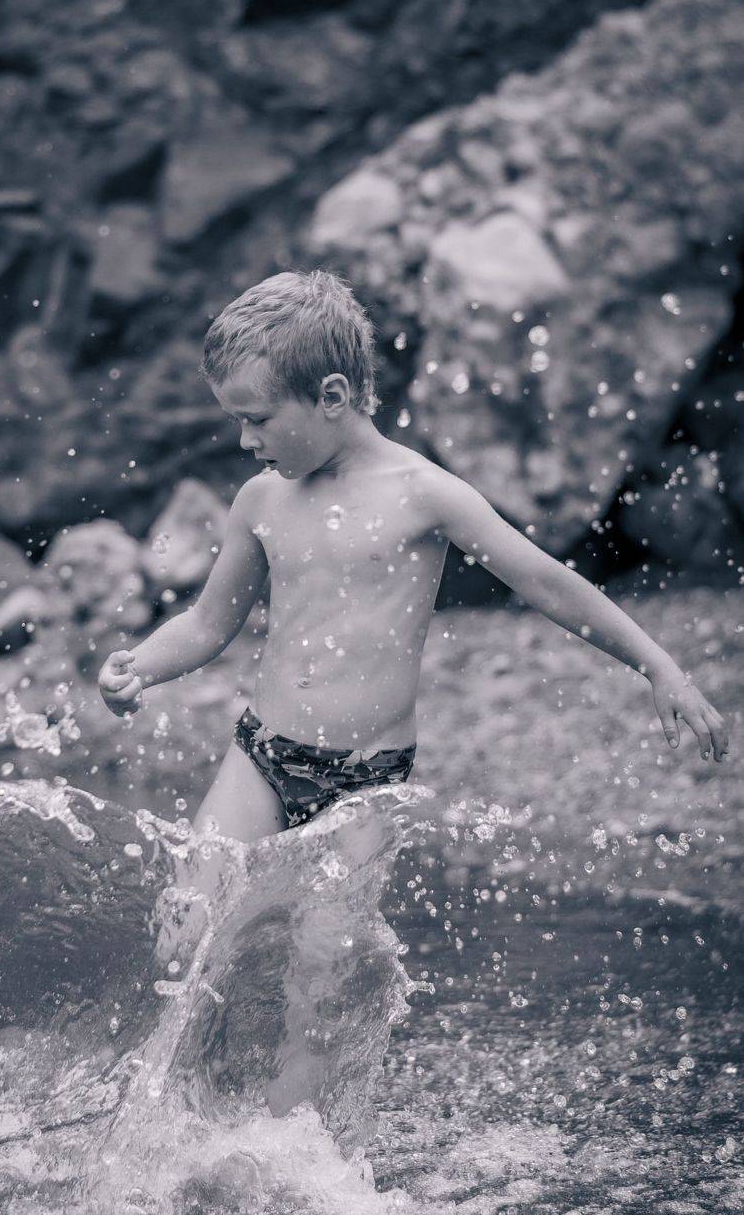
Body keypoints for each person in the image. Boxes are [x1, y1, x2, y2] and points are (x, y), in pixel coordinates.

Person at [98, 270, 729, 844]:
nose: (244, 439)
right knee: (194, 906)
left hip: (367, 778)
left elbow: (545, 582)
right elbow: (208, 623)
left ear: (332, 396)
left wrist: (657, 665)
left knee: (326, 936)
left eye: (257, 419)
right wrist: (141, 666)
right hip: (261, 753)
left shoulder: (425, 494)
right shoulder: (261, 500)